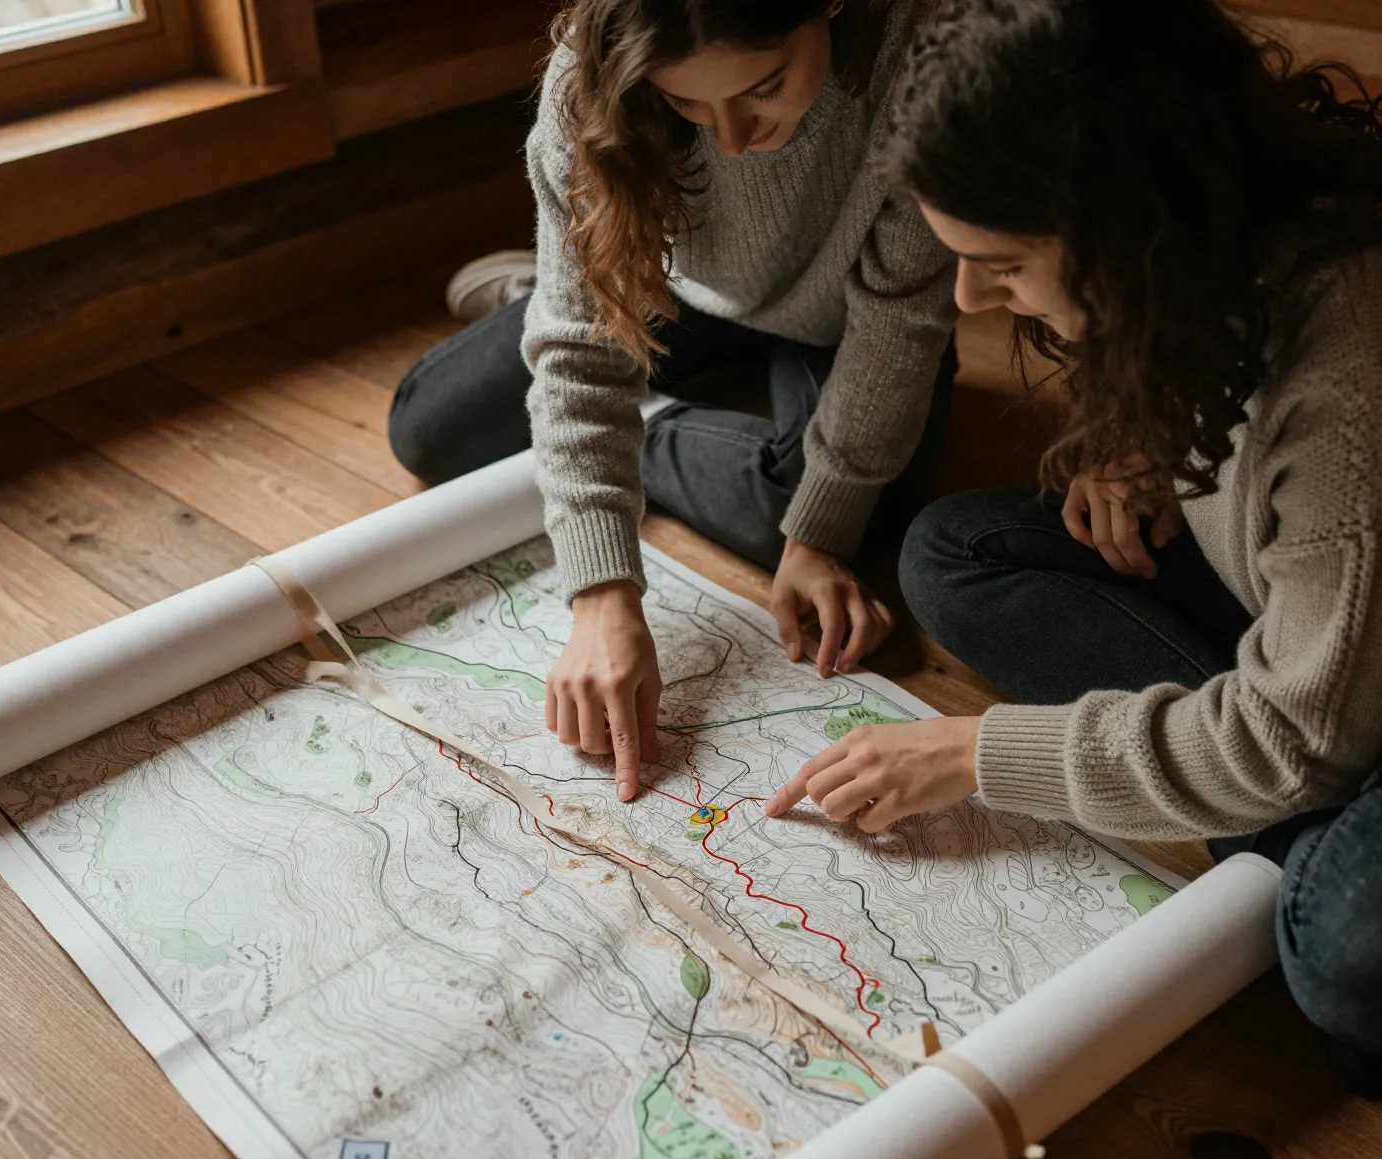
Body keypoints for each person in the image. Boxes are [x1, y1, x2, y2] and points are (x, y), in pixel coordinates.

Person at [765, 0, 1382, 1089]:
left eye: (1003, 261)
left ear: (1132, 227)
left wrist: (981, 755)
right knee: (954, 553)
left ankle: (1311, 798)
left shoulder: (1368, 395)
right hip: (1325, 614)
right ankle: (1285, 781)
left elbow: (1292, 739)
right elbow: (1260, 435)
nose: (971, 298)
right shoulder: (1231, 224)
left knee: (1363, 973)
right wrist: (1154, 448)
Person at [388, 0, 959, 804]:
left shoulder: (926, 53)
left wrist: (817, 535)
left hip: (850, 311)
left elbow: (900, 325)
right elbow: (582, 356)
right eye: (688, 102)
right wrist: (600, 592)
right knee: (428, 430)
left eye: (763, 86)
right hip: (670, 285)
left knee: (818, 526)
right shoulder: (583, 85)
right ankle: (555, 287)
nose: (731, 137)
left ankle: (645, 418)